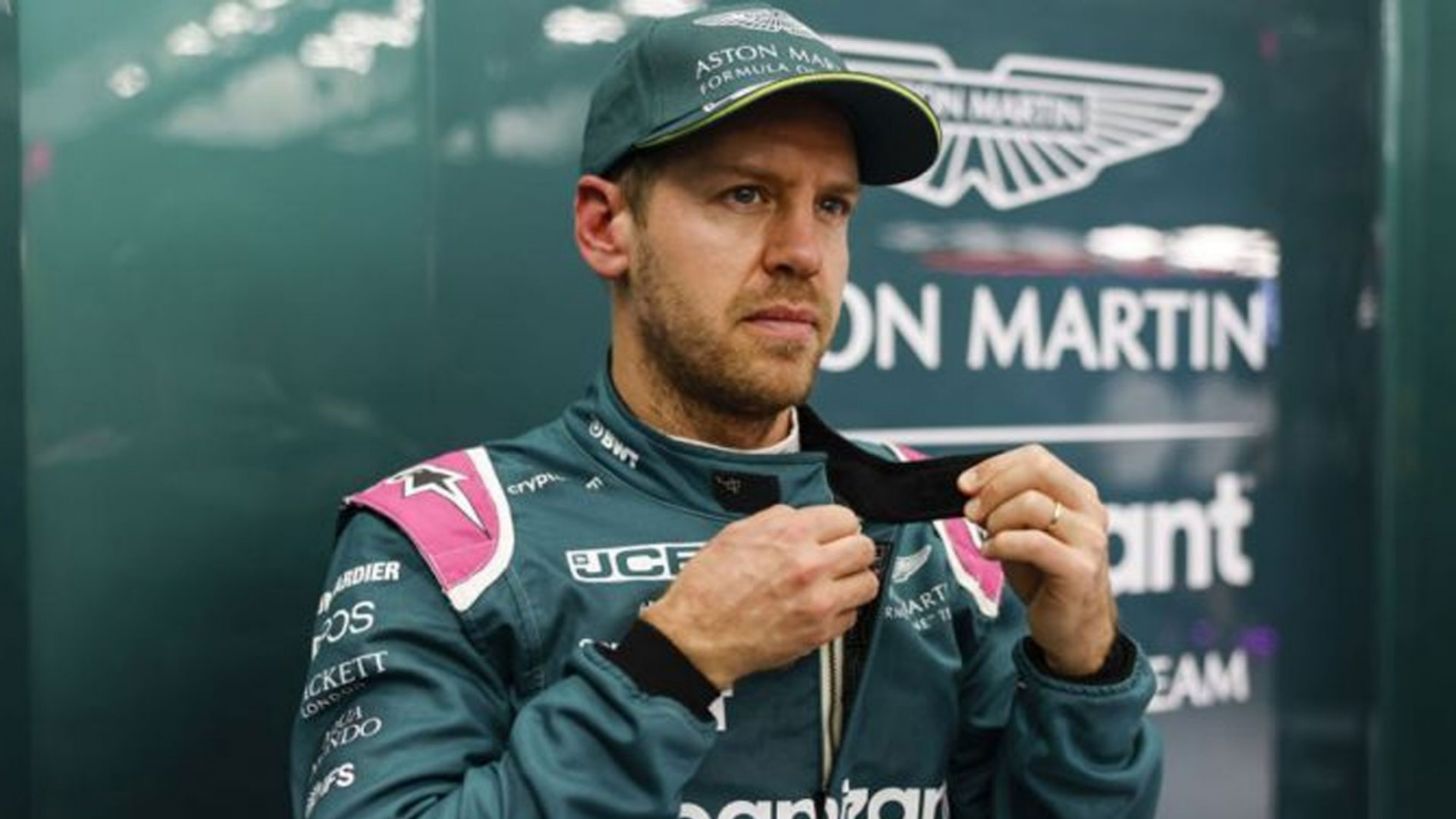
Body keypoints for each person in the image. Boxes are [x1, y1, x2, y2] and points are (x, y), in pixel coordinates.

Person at [289, 4, 1162, 818]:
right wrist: (673, 662)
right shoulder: (453, 538)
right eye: (746, 194)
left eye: (832, 205)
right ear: (606, 226)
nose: (802, 252)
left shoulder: (943, 537)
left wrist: (1083, 668)